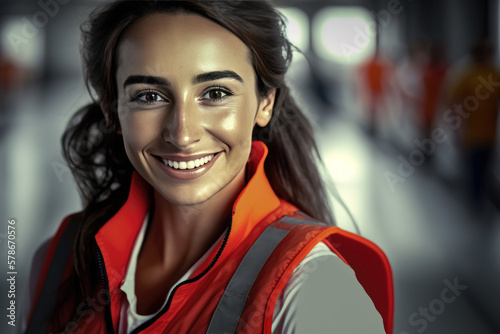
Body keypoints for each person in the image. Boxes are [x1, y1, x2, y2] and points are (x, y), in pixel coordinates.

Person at [23, 1, 393, 333]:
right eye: (149, 97)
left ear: (265, 102)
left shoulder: (315, 295)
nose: (182, 134)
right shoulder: (59, 261)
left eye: (215, 94)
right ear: (113, 111)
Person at [447, 40, 500, 210]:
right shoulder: (467, 75)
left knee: (484, 170)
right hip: (470, 134)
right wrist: (456, 129)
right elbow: (453, 102)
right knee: (473, 171)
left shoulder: (493, 74)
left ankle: (480, 201)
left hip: (489, 134)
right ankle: (474, 203)